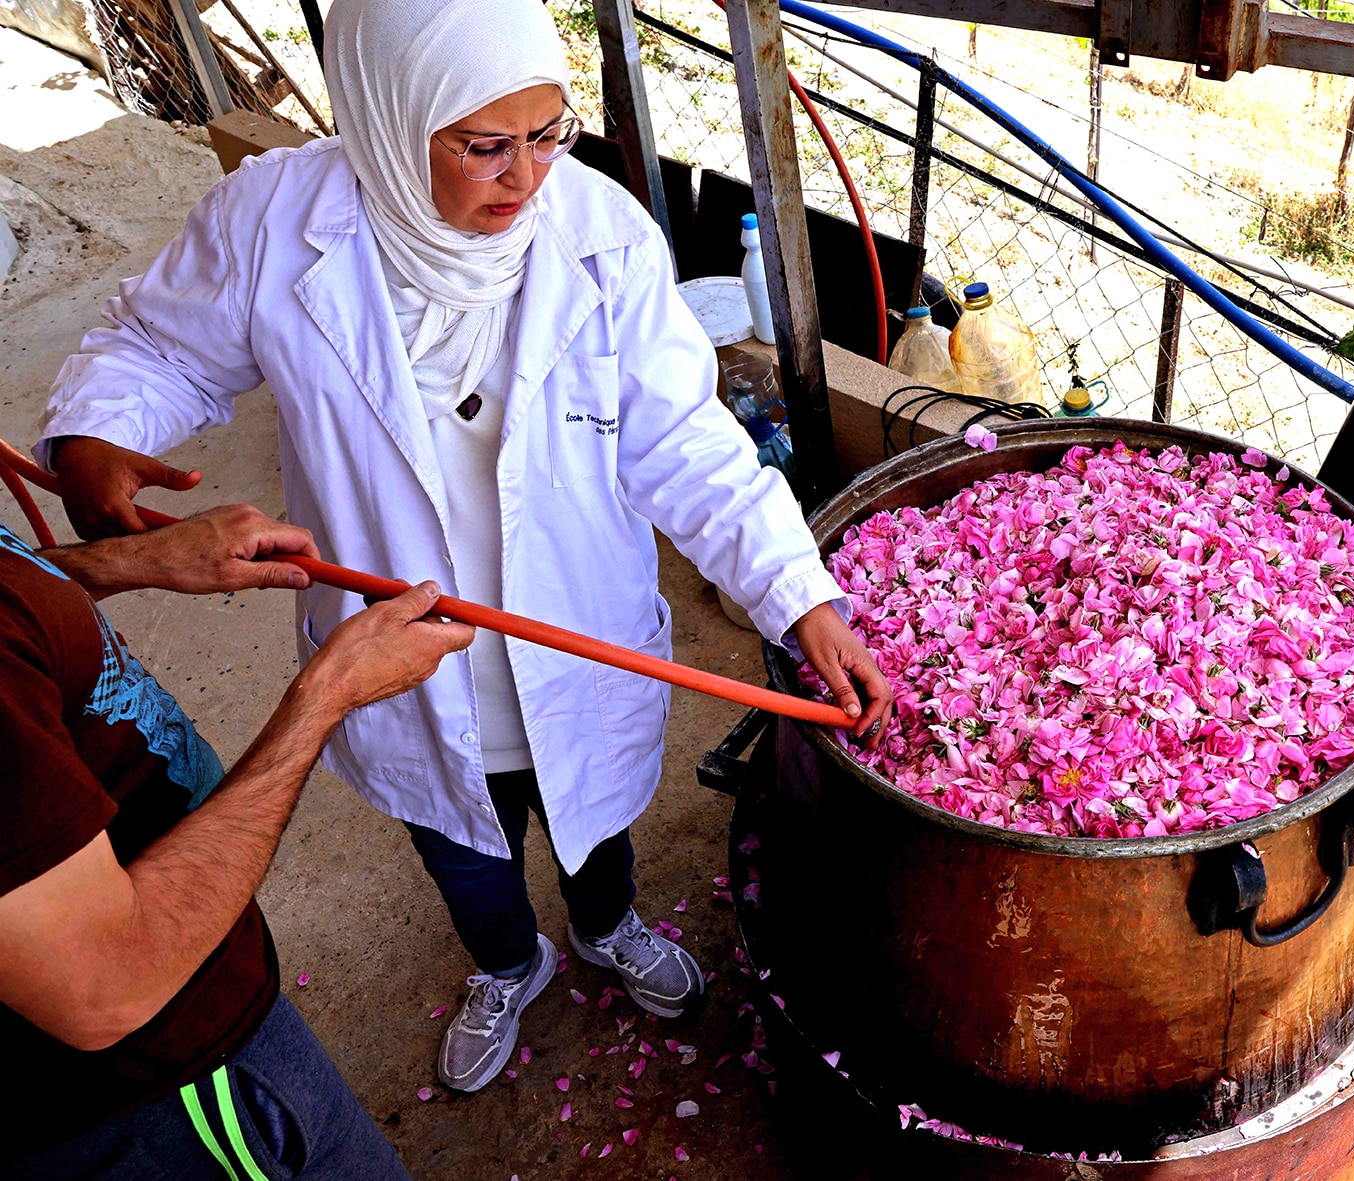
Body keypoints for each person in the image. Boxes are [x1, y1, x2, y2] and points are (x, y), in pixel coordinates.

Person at [39, 0, 892, 1096]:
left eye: (549, 135)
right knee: (461, 845)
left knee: (592, 829)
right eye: (485, 145)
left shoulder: (601, 236)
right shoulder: (274, 221)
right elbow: (160, 345)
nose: (525, 178)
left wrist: (799, 599)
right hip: (398, 655)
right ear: (393, 121)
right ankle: (506, 962)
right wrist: (99, 433)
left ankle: (605, 927)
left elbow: (685, 441)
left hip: (577, 633)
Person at [0, 503, 472, 1178]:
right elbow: (105, 986)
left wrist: (122, 561)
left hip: (190, 1005)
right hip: (154, 1091)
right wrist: (326, 695)